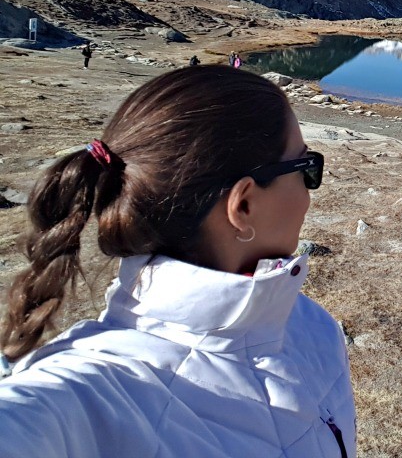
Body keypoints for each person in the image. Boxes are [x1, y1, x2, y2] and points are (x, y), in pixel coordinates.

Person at [0, 66, 356, 457]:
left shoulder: (309, 324)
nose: (309, 192)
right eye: (307, 168)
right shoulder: (87, 395)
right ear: (244, 205)